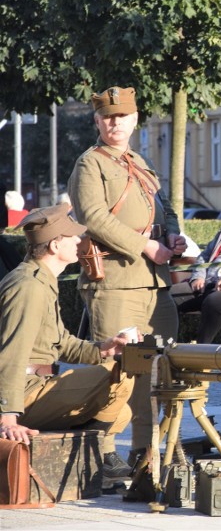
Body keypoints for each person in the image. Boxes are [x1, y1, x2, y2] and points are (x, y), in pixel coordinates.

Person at [67, 86, 186, 468]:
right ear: (97, 121)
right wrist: (146, 246)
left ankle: (145, 448)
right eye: (107, 116)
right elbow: (93, 217)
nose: (114, 122)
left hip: (155, 283)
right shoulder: (91, 164)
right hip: (115, 281)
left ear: (135, 120)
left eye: (121, 116)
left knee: (159, 368)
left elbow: (164, 207)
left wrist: (172, 234)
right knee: (115, 368)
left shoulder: (139, 162)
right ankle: (102, 451)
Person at [0, 205, 135, 480]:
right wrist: (7, 416)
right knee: (122, 375)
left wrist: (104, 348)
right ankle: (100, 459)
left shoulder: (41, 280)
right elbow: (10, 354)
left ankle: (88, 456)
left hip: (35, 385)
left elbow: (62, 343)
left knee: (121, 412)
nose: (79, 241)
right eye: (72, 237)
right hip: (23, 392)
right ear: (54, 244)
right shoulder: (28, 287)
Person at [170, 226, 221, 344]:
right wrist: (198, 276)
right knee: (166, 297)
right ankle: (166, 346)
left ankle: (203, 349)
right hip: (207, 281)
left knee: (213, 302)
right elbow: (204, 256)